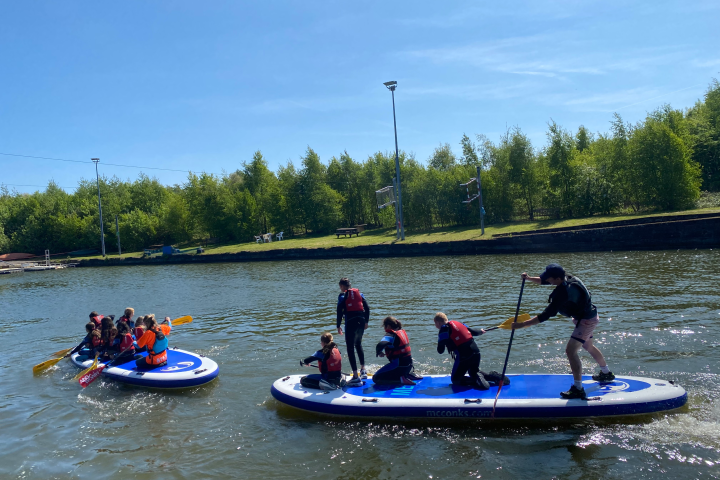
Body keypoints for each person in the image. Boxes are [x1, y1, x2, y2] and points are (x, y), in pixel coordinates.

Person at [512, 264, 615, 400]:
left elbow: (545, 315)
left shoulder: (562, 294)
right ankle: (606, 373)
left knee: (570, 351)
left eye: (549, 279)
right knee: (588, 345)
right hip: (588, 317)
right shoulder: (568, 278)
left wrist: (522, 325)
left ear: (557, 278)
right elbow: (544, 281)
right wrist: (529, 278)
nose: (547, 281)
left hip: (586, 321)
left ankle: (578, 389)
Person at [434, 312, 491, 390]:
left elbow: (440, 351)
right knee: (473, 373)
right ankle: (493, 378)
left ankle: (476, 380)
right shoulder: (458, 323)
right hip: (476, 352)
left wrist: (441, 340)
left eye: (435, 324)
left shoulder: (443, 330)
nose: (435, 326)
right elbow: (473, 332)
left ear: (438, 322)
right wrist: (481, 331)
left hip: (464, 356)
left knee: (455, 380)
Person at [336, 277, 370, 386]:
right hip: (361, 321)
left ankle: (355, 376)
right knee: (358, 344)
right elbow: (367, 308)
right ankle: (363, 370)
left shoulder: (342, 296)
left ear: (342, 286)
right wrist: (366, 322)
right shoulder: (360, 294)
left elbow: (339, 311)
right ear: (350, 285)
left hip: (350, 322)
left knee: (350, 348)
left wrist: (338, 326)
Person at [373, 316, 422, 386]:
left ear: (389, 326)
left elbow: (380, 345)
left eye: (385, 326)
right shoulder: (401, 332)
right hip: (408, 366)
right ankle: (407, 375)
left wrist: (379, 352)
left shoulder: (391, 334)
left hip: (399, 366)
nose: (384, 329)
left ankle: (401, 379)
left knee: (376, 378)